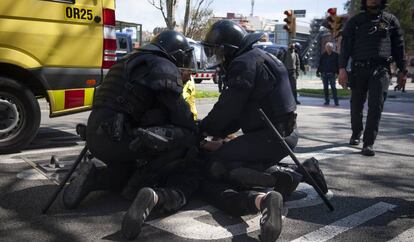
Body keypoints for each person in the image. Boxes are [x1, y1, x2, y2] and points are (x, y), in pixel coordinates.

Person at [61, 30, 200, 239]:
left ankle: (94, 178)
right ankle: (143, 184)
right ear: (175, 53)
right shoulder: (163, 66)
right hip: (121, 139)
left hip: (96, 136)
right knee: (187, 136)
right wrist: (199, 132)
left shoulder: (127, 61)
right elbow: (182, 116)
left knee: (125, 173)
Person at [199, 20, 327, 242]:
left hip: (269, 137)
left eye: (218, 52)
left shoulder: (242, 64)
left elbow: (227, 109)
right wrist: (219, 131)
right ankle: (303, 171)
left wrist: (201, 129)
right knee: (236, 152)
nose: (217, 58)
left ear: (229, 49)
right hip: (284, 134)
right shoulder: (261, 57)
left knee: (218, 164)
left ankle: (283, 177)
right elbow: (240, 113)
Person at [338, 0, 408, 156]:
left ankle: (368, 143)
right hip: (359, 69)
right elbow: (346, 46)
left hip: (381, 69)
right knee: (356, 105)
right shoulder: (356, 21)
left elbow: (399, 46)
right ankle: (356, 132)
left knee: (376, 106)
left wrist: (402, 70)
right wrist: (342, 68)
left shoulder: (390, 20)